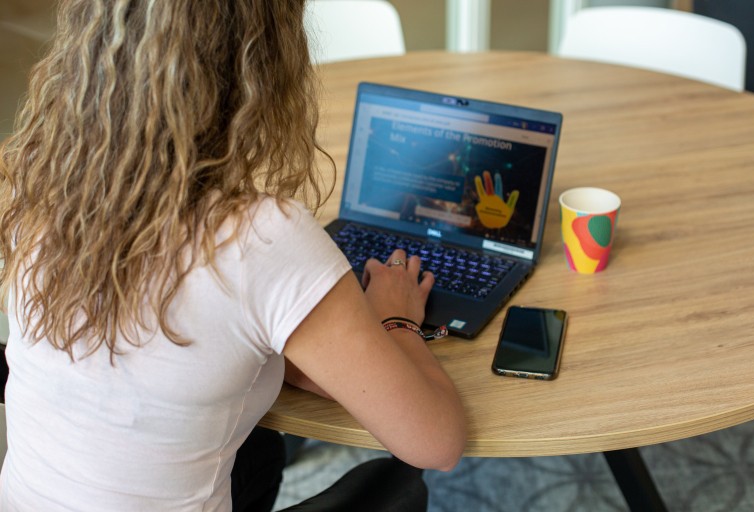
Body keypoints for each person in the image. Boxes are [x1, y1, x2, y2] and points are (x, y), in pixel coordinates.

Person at [0, 1, 466, 511]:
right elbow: (436, 444)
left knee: (260, 450)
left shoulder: (32, 180)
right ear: (264, 64)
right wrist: (396, 321)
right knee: (398, 486)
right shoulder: (259, 237)